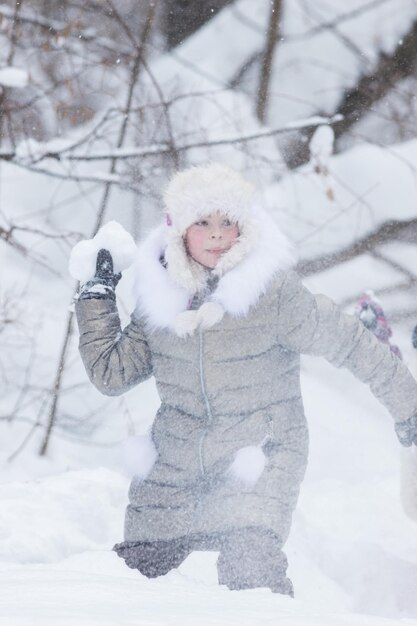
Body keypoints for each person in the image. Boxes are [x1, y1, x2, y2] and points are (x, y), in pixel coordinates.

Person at [74, 162, 417, 596]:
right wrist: (96, 297)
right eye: (203, 222)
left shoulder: (272, 294)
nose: (217, 234)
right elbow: (111, 373)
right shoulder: (161, 300)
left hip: (261, 451)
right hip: (176, 458)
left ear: (244, 228)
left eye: (228, 222)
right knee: (136, 578)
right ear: (179, 230)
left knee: (249, 570)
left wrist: (410, 408)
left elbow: (350, 343)